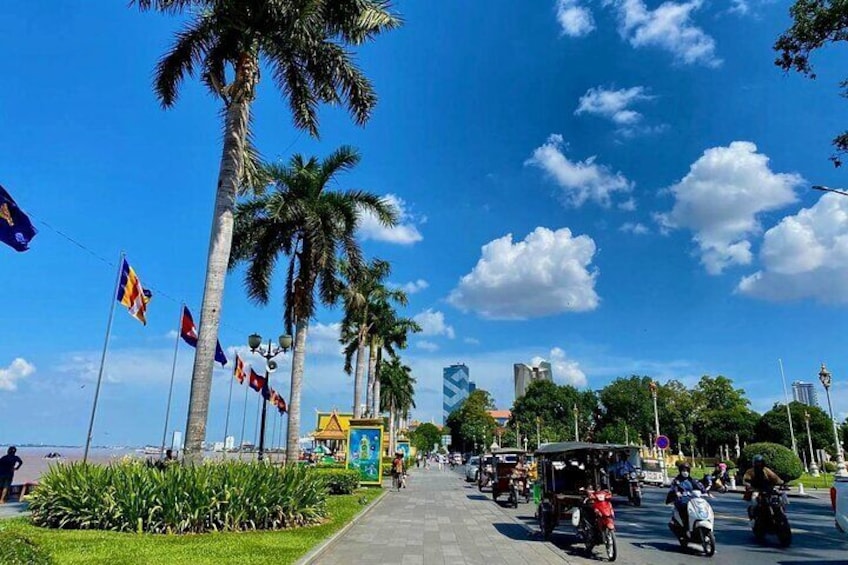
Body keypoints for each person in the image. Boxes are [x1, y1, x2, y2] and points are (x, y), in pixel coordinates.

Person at [665, 462, 707, 530]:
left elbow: (699, 486)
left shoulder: (691, 480)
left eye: (687, 470)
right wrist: (677, 493)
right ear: (680, 471)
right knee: (685, 511)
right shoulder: (676, 481)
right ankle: (686, 527)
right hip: (681, 500)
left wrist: (705, 492)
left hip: (691, 499)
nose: (685, 472)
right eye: (683, 470)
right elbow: (674, 488)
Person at [743, 454, 784, 519]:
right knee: (754, 499)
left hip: (768, 489)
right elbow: (746, 480)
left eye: (760, 462)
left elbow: (775, 477)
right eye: (757, 462)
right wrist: (749, 486)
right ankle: (753, 517)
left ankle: (781, 512)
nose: (759, 464)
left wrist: (781, 483)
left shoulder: (766, 470)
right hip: (756, 489)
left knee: (780, 497)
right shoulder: (750, 471)